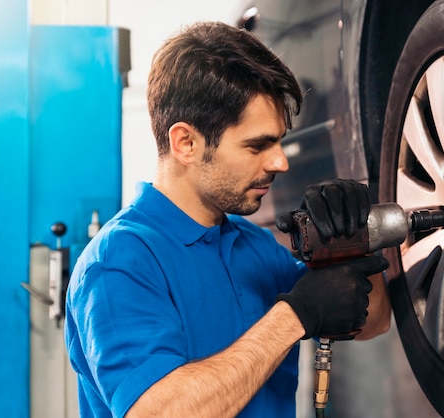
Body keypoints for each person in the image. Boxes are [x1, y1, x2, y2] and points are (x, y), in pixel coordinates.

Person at [64, 21, 391, 418]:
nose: (280, 162)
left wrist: (351, 241)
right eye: (258, 145)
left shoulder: (253, 246)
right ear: (186, 142)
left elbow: (371, 321)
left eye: (279, 142)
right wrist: (294, 316)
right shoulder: (118, 263)